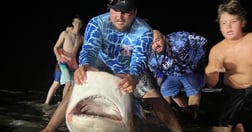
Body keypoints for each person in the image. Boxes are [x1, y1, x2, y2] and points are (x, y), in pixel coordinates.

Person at [42, 0, 183, 131]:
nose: (120, 16)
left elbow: (139, 59)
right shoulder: (97, 22)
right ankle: (48, 129)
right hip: (100, 62)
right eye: (115, 10)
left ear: (134, 12)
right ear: (109, 9)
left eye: (126, 12)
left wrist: (134, 77)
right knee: (75, 86)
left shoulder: (144, 31)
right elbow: (89, 49)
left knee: (154, 96)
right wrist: (84, 65)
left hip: (129, 68)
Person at [205, 0, 252, 132]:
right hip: (231, 91)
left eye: (233, 21)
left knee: (241, 127)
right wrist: (210, 72)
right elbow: (211, 84)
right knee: (218, 128)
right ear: (219, 26)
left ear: (243, 22)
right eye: (224, 23)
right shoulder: (217, 50)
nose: (228, 27)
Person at [148, 30, 208, 120]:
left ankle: (193, 116)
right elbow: (155, 74)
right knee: (164, 90)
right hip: (173, 75)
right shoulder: (151, 56)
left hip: (191, 71)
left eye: (157, 40)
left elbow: (203, 41)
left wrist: (196, 62)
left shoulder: (180, 38)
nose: (156, 45)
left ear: (164, 38)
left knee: (193, 91)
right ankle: (171, 116)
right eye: (152, 43)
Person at [44, 16, 83, 105]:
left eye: (80, 23)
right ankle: (48, 103)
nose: (78, 24)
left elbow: (90, 47)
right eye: (76, 22)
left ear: (81, 26)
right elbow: (55, 47)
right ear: (73, 23)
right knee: (60, 83)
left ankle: (64, 103)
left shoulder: (81, 38)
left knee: (74, 84)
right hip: (63, 62)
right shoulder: (65, 34)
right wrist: (58, 56)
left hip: (73, 64)